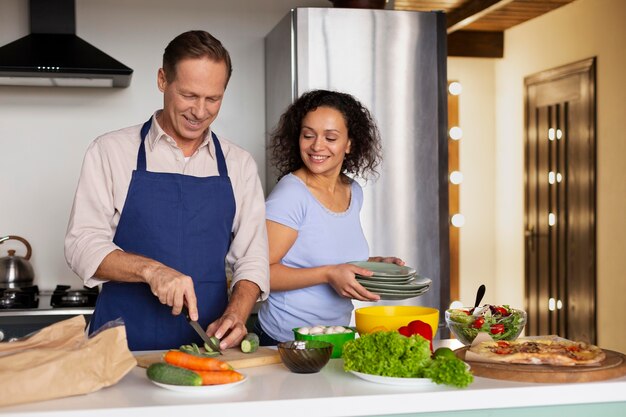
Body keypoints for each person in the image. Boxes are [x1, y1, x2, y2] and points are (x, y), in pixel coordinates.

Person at [64, 31, 269, 351]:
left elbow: (252, 258)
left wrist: (237, 314)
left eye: (213, 99)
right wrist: (152, 270)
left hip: (206, 346)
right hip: (120, 346)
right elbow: (82, 245)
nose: (200, 111)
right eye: (189, 95)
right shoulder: (111, 151)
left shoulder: (239, 164)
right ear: (163, 80)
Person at [255, 89, 404, 345]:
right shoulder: (291, 194)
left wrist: (372, 265)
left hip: (334, 338)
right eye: (308, 135)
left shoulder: (352, 191)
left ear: (349, 144)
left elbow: (326, 254)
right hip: (285, 342)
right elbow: (260, 273)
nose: (317, 146)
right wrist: (328, 274)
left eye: (330, 137)